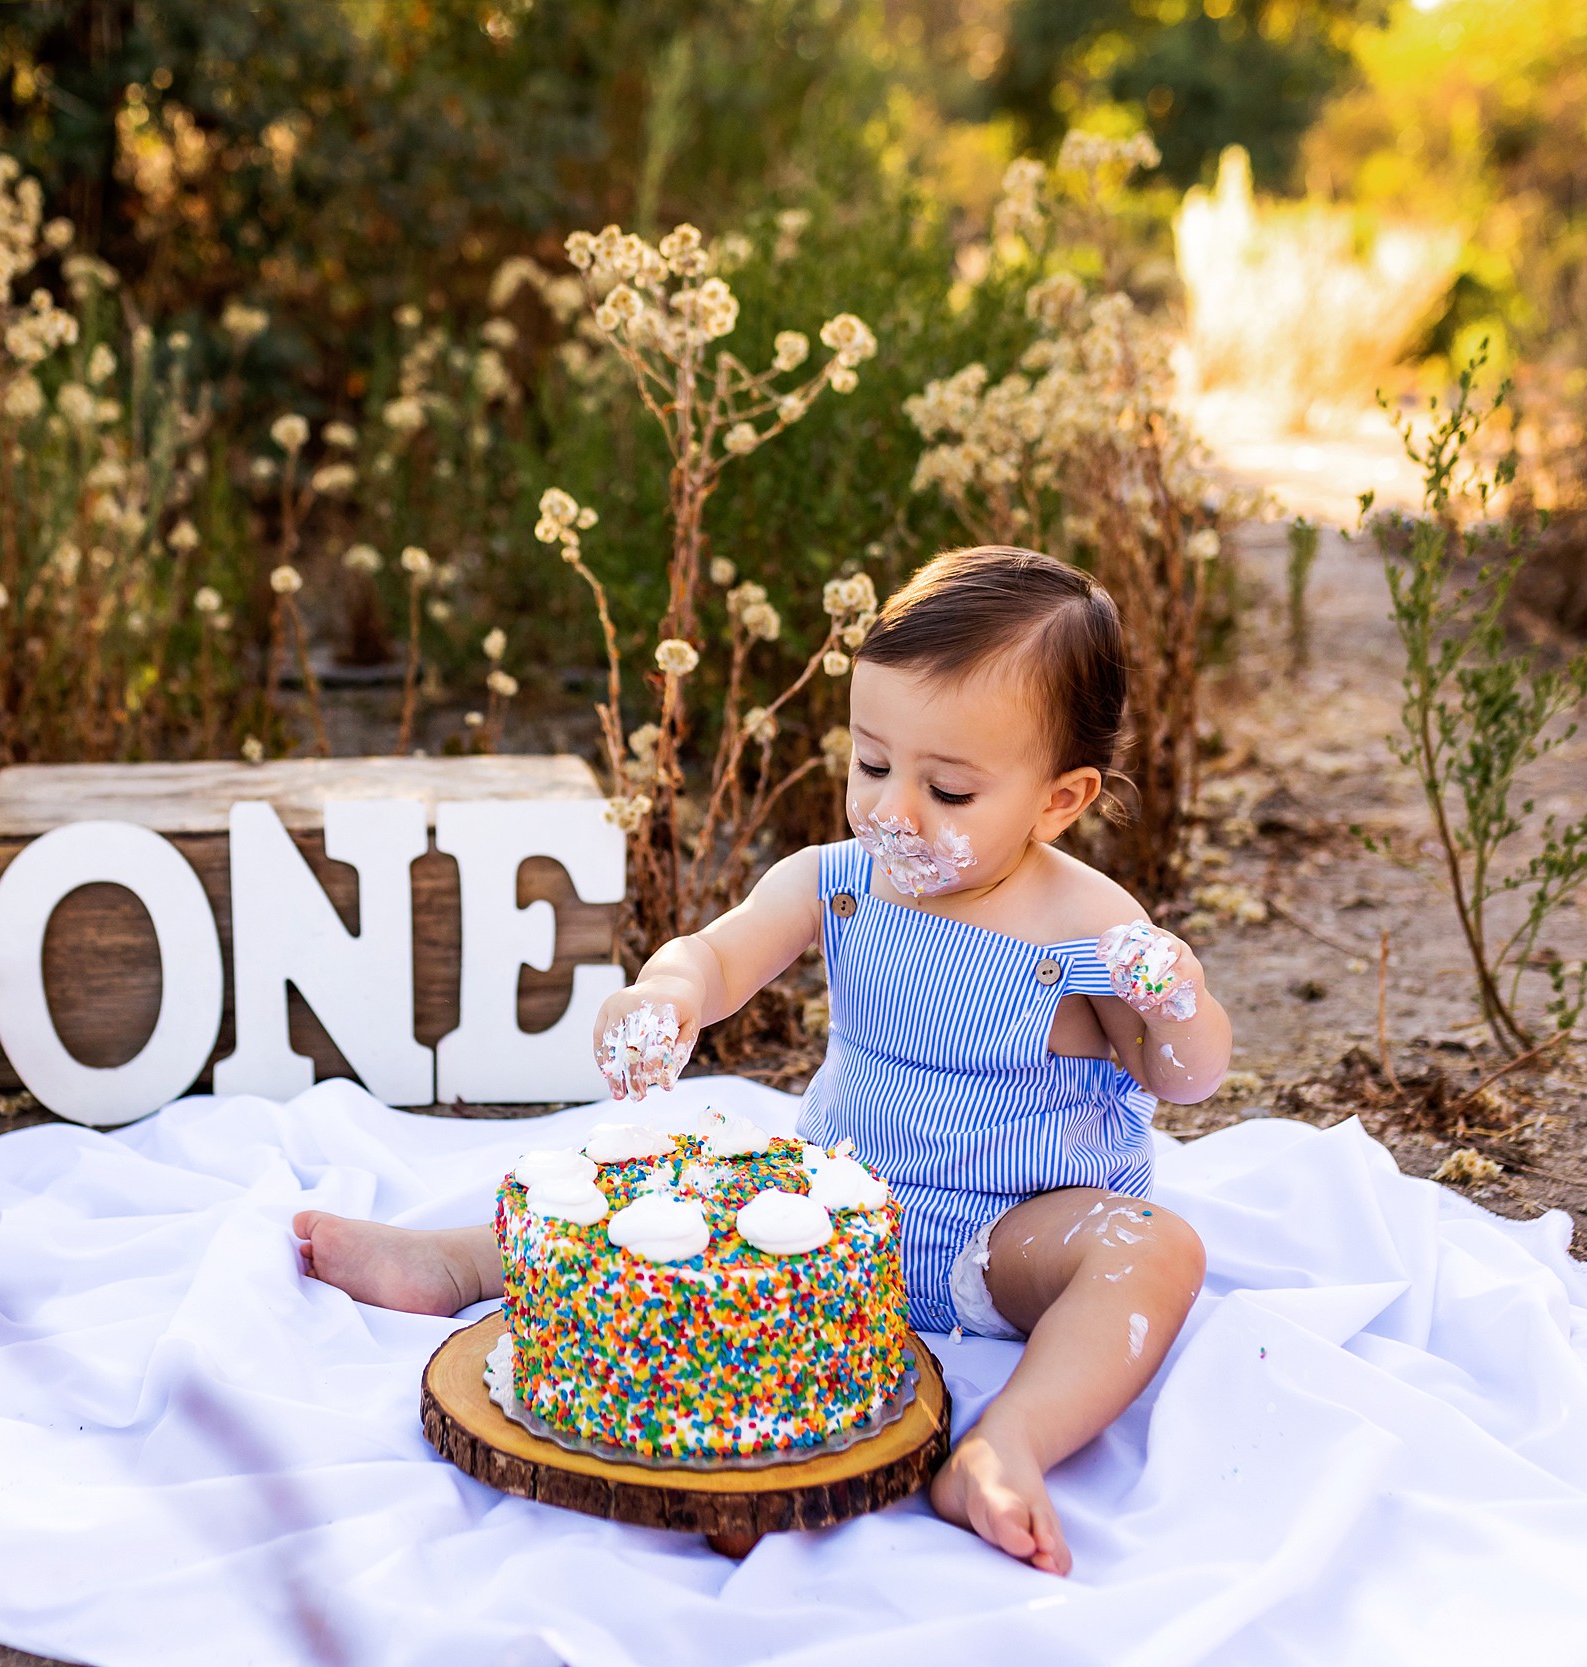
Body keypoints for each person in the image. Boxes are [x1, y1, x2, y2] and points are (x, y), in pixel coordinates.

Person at [294, 545, 1229, 1576]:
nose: (893, 811)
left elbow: (1181, 1076)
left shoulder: (1089, 924)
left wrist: (1171, 993)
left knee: (1151, 1248)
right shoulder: (838, 882)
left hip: (1010, 1234)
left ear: (1059, 800)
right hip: (829, 1212)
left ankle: (1005, 1441)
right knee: (664, 1173)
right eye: (871, 764)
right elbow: (719, 948)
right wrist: (668, 993)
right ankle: (470, 1260)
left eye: (949, 789)